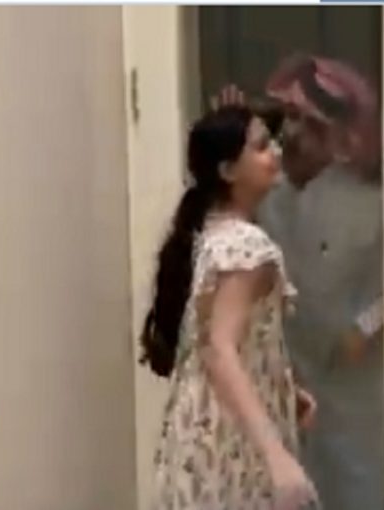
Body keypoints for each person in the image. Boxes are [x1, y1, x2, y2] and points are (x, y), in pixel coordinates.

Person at [213, 54, 384, 510]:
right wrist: (228, 139)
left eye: (304, 122)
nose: (289, 134)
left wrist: (364, 328)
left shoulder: (373, 203)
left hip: (359, 389)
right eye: (285, 119)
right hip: (296, 381)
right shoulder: (272, 198)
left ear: (340, 137)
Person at [140, 105, 320, 510]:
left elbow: (219, 337)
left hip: (196, 445)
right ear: (228, 170)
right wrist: (277, 458)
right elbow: (218, 350)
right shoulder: (245, 246)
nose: (276, 151)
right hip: (229, 452)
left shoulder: (210, 234)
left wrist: (283, 388)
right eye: (261, 146)